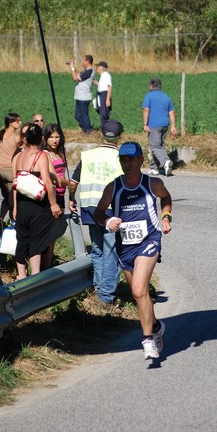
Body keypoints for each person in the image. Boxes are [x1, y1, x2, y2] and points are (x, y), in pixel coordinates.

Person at [94, 141, 172, 360]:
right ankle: (155, 326)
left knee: (139, 290)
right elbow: (98, 213)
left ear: (140, 160)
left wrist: (166, 217)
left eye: (131, 159)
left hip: (149, 240)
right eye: (123, 160)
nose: (127, 164)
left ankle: (148, 340)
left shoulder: (152, 183)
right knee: (139, 295)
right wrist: (108, 221)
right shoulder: (113, 187)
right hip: (125, 246)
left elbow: (166, 198)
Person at [69, 119, 124, 307]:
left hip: (89, 209)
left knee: (98, 249)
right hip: (111, 211)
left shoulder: (88, 155)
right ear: (120, 137)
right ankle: (106, 296)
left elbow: (73, 182)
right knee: (111, 252)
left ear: (101, 134)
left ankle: (99, 288)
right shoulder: (121, 158)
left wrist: (70, 198)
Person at [12, 124, 66, 280]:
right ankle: (35, 275)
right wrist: (54, 203)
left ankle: (21, 275)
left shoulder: (18, 156)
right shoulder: (42, 155)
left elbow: (16, 184)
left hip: (22, 203)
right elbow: (48, 182)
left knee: (22, 238)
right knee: (37, 238)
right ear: (42, 138)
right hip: (36, 203)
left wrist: (15, 206)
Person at [40, 123, 68, 270]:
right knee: (50, 235)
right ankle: (45, 267)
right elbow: (54, 178)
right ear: (45, 138)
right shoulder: (46, 154)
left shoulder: (60, 153)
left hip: (61, 195)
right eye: (51, 137)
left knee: (55, 235)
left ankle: (49, 265)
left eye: (57, 137)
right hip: (53, 196)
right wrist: (70, 183)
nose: (54, 140)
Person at [142, 77, 177, 176]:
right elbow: (172, 112)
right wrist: (173, 127)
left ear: (151, 86)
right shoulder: (167, 97)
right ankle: (154, 168)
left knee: (155, 146)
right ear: (160, 86)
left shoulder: (148, 96)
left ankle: (165, 162)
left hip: (154, 125)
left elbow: (146, 110)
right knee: (159, 146)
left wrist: (145, 124)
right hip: (165, 125)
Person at [0, 113, 21, 221]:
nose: (20, 123)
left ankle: (0, 221)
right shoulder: (16, 138)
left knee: (6, 197)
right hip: (9, 171)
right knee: (13, 198)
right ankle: (12, 221)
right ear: (11, 123)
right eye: (18, 121)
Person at [69, 54, 95, 133]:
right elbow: (78, 75)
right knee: (77, 115)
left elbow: (75, 78)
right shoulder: (86, 71)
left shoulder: (89, 70)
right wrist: (74, 67)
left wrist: (72, 69)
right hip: (80, 96)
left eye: (83, 60)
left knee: (84, 115)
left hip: (84, 97)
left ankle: (88, 130)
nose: (82, 62)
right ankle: (85, 128)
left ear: (87, 61)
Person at [94, 61, 112, 125]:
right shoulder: (102, 75)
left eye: (98, 66)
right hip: (100, 95)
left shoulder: (106, 75)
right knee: (101, 112)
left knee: (104, 114)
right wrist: (97, 83)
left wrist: (107, 99)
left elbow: (109, 87)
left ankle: (105, 129)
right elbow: (103, 86)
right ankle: (104, 128)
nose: (96, 68)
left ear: (102, 68)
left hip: (104, 95)